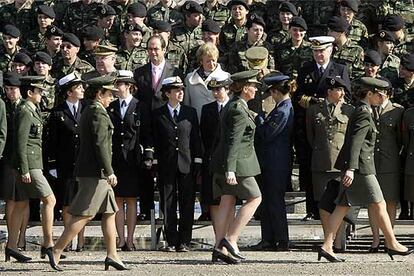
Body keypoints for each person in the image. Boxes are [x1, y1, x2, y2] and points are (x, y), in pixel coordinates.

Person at [320, 77, 413, 262]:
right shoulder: (364, 112)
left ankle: (327, 245)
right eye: (379, 95)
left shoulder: (361, 110)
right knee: (379, 203)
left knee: (342, 206)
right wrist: (352, 169)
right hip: (362, 167)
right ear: (369, 94)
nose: (382, 98)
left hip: (357, 166)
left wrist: (349, 167)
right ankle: (392, 243)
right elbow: (356, 142)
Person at [47, 76, 127, 271]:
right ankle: (56, 249)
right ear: (100, 94)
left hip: (93, 171)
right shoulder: (97, 113)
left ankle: (112, 255)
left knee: (109, 213)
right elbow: (100, 145)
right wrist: (109, 172)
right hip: (95, 173)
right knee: (84, 214)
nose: (112, 99)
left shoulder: (90, 110)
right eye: (109, 95)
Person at [294, 36, 350, 221]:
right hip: (312, 123)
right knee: (311, 167)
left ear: (331, 50)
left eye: (322, 51)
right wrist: (313, 102)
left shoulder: (340, 69)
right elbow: (299, 95)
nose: (319, 54)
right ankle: (313, 208)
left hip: (334, 124)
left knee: (334, 169)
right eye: (315, 51)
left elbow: (347, 95)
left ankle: (335, 208)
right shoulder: (305, 70)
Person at [210, 70, 262, 264]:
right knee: (255, 197)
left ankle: (219, 248)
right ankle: (231, 239)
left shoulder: (234, 105)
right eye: (253, 86)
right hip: (238, 163)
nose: (256, 89)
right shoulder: (238, 109)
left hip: (229, 162)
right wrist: (230, 169)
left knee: (228, 200)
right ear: (244, 88)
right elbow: (233, 141)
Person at [152, 76, 202, 252]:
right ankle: (171, 239)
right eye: (176, 90)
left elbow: (195, 138)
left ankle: (185, 240)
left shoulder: (190, 112)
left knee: (187, 202)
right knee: (168, 203)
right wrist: (155, 163)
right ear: (167, 93)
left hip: (186, 164)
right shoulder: (158, 114)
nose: (180, 93)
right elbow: (156, 140)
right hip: (166, 164)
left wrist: (197, 161)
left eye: (182, 89)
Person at [10, 76, 56, 261]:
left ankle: (11, 246)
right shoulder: (25, 111)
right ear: (30, 93)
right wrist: (25, 169)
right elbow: (20, 143)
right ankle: (48, 243)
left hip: (33, 163)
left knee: (21, 204)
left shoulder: (32, 109)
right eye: (38, 91)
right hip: (29, 164)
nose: (41, 94)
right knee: (50, 200)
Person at [306, 76, 354, 252]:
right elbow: (311, 137)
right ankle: (329, 241)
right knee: (323, 205)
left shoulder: (349, 110)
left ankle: (339, 241)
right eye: (338, 90)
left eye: (342, 90)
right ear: (329, 92)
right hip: (321, 163)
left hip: (340, 164)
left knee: (340, 205)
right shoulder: (313, 110)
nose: (341, 94)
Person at [108, 70, 153, 251]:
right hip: (116, 160)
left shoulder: (140, 107)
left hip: (134, 159)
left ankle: (131, 238)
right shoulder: (111, 106)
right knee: (118, 200)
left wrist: (148, 156)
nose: (116, 87)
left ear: (128, 86)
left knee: (132, 200)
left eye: (119, 84)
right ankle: (120, 239)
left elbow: (147, 135)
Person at [252, 73, 295, 251]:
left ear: (276, 92)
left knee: (274, 202)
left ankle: (280, 239)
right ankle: (269, 239)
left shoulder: (284, 110)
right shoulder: (281, 108)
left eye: (272, 92)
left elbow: (267, 134)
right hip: (271, 162)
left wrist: (259, 118)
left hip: (275, 163)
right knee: (268, 201)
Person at [48, 72, 86, 252]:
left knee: (83, 202)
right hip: (65, 164)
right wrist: (53, 164)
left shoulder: (86, 108)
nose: (82, 90)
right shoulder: (57, 113)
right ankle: (68, 238)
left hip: (83, 164)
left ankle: (81, 240)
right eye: (78, 87)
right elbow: (52, 141)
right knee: (68, 203)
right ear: (69, 92)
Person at [369, 81, 404, 252]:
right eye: (377, 91)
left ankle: (389, 239)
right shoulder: (367, 108)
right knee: (372, 201)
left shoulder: (397, 111)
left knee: (390, 201)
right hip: (370, 160)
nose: (380, 94)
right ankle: (375, 239)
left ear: (389, 93)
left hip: (390, 161)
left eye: (383, 91)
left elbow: (401, 138)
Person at [199, 74, 232, 223]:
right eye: (213, 90)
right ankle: (219, 236)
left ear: (227, 89)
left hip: (229, 159)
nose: (216, 93)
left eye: (219, 89)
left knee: (230, 198)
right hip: (212, 159)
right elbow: (205, 136)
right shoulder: (207, 109)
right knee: (213, 198)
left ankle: (230, 237)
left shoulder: (234, 106)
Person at [134, 35, 182, 110]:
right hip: (146, 117)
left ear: (164, 50)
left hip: (165, 117)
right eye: (150, 49)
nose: (153, 52)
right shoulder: (139, 72)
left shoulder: (175, 73)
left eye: (156, 49)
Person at [184, 42, 230, 120]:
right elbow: (187, 104)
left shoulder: (226, 77)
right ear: (201, 61)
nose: (211, 64)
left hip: (219, 123)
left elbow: (229, 104)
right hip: (197, 121)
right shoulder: (190, 78)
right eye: (208, 61)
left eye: (213, 60)